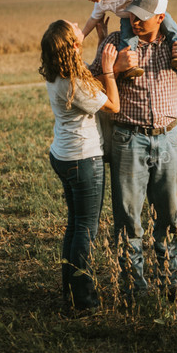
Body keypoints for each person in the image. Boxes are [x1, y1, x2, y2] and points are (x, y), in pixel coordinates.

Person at [89, 0, 177, 299]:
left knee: (169, 218)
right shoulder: (115, 43)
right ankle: (134, 290)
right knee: (128, 219)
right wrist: (114, 69)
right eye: (132, 15)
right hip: (128, 139)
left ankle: (171, 284)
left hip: (169, 139)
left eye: (142, 17)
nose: (135, 21)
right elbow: (91, 88)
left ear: (160, 17)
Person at [39, 19, 120, 310]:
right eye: (74, 28)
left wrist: (100, 40)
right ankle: (84, 301)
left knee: (75, 226)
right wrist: (111, 70)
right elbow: (112, 104)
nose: (77, 23)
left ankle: (70, 290)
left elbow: (89, 76)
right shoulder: (73, 83)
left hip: (64, 155)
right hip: (83, 160)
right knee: (86, 229)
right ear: (73, 45)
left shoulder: (61, 72)